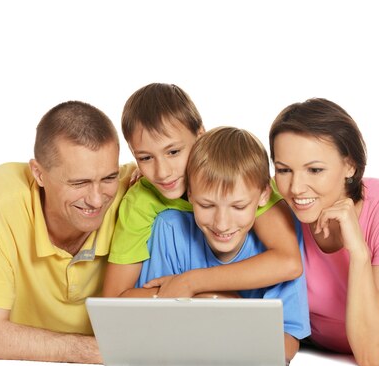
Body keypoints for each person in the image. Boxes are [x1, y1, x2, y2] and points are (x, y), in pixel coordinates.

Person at [0, 101, 135, 363]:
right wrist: (99, 350)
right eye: (79, 182)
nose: (97, 200)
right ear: (39, 174)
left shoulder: (135, 189)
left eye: (109, 178)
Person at [269, 98, 379, 366]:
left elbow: (370, 356)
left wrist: (358, 252)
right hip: (316, 334)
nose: (296, 188)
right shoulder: (277, 203)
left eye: (315, 169)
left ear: (350, 166)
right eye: (284, 170)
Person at [102, 83, 303, 298]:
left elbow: (288, 262)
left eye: (173, 152)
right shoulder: (141, 200)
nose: (162, 172)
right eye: (145, 158)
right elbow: (113, 299)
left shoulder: (236, 181)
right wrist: (195, 298)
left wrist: (193, 283)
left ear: (200, 136)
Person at [137, 126, 310, 363]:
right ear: (190, 195)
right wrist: (215, 297)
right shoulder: (169, 229)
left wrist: (218, 301)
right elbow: (149, 317)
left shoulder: (281, 238)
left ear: (263, 196)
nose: (222, 223)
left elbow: (288, 341)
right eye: (207, 206)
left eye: (238, 207)